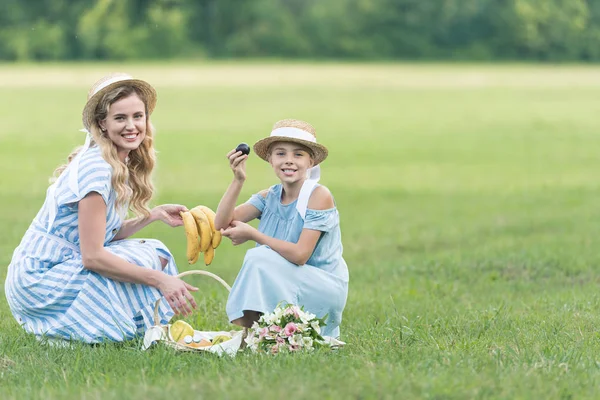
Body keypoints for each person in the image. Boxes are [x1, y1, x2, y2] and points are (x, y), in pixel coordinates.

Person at [4, 73, 198, 343]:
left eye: (138, 116)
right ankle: (69, 333)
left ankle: (101, 326)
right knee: (143, 260)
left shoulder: (114, 163)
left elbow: (102, 234)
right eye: (120, 118)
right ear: (102, 124)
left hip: (64, 264)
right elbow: (92, 256)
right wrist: (159, 280)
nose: (132, 126)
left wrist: (154, 215)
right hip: (39, 280)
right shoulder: (97, 170)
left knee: (154, 250)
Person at [214, 119, 349, 338]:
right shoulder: (270, 197)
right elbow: (221, 223)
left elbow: (300, 255)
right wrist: (238, 180)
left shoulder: (318, 196)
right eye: (280, 154)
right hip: (290, 280)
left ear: (311, 161)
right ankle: (264, 333)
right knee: (259, 259)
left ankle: (259, 331)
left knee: (258, 258)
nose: (289, 161)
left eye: (298, 154)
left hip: (322, 287)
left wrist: (253, 234)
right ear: (270, 159)